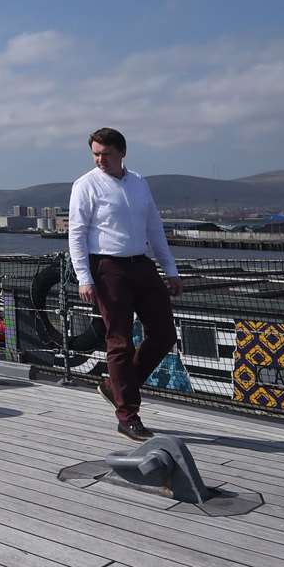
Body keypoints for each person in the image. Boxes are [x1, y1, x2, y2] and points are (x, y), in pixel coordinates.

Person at [68, 127, 182, 441]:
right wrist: (84, 278)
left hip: (141, 263)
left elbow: (154, 227)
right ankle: (128, 414)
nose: (99, 160)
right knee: (119, 341)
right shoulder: (85, 185)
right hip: (107, 267)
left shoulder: (139, 183)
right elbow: (76, 234)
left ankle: (113, 386)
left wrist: (170, 269)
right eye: (95, 154)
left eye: (105, 153)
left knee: (164, 333)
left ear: (122, 153)